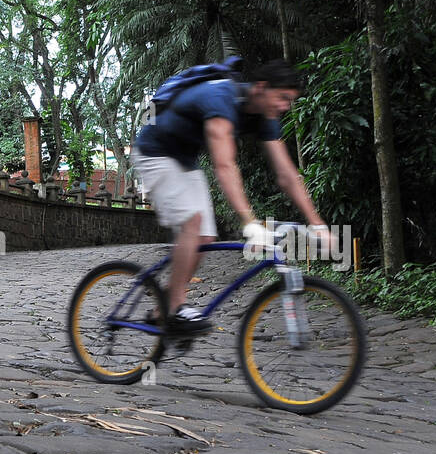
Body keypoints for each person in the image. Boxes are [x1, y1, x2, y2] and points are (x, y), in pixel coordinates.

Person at [131, 59, 330, 333]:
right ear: (261, 88)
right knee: (193, 222)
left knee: (204, 237)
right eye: (283, 98)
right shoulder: (221, 97)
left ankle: (162, 306)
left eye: (290, 101)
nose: (285, 106)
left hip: (184, 159)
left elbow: (286, 174)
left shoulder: (265, 117)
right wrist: (250, 222)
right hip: (154, 151)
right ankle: (175, 307)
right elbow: (224, 165)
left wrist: (316, 223)